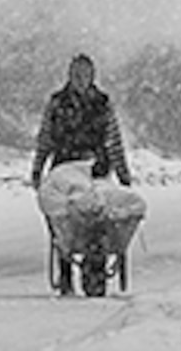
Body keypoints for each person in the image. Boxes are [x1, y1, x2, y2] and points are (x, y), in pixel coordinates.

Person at [30, 54, 141, 294]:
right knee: (63, 219)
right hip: (64, 167)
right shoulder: (57, 103)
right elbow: (45, 138)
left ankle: (96, 266)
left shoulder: (102, 103)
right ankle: (66, 274)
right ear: (69, 76)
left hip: (95, 167)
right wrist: (38, 168)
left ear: (93, 77)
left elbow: (113, 139)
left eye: (85, 74)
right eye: (76, 74)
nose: (81, 79)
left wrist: (122, 172)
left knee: (97, 215)